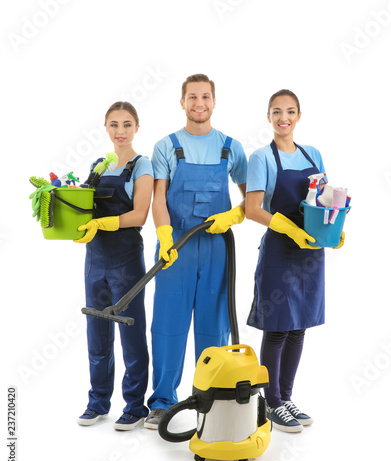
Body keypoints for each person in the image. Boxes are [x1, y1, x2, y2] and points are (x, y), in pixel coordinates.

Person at [144, 74, 248, 429]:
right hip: (176, 249)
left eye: (205, 96)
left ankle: (213, 398)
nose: (199, 103)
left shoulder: (230, 147)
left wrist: (235, 214)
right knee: (168, 326)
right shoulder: (167, 146)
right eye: (192, 97)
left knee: (213, 327)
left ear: (214, 102)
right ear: (182, 102)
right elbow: (159, 198)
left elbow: (253, 198)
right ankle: (161, 402)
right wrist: (164, 234)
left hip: (217, 248)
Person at [245, 89, 344, 433]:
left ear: (298, 116)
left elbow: (326, 199)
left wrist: (336, 228)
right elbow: (252, 208)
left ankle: (285, 398)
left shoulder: (312, 153)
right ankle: (270, 402)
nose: (283, 117)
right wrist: (288, 227)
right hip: (280, 250)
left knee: (299, 325)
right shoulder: (262, 158)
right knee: (278, 328)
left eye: (289, 111)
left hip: (311, 252)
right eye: (276, 112)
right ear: (268, 117)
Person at [75, 101, 154, 431]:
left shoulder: (142, 165)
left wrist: (103, 224)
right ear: (106, 128)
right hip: (95, 260)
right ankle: (98, 402)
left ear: (137, 127)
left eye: (126, 124)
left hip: (125, 259)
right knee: (97, 333)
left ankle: (135, 406)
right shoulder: (99, 164)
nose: (120, 131)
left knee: (130, 332)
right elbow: (82, 207)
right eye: (113, 125)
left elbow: (140, 215)